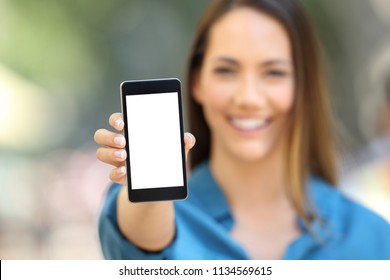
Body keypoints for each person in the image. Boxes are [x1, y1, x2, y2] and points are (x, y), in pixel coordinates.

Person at [94, 0, 390, 259]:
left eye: (274, 72)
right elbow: (142, 238)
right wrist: (148, 183)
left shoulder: (371, 237)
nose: (248, 97)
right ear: (197, 82)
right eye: (226, 70)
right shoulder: (160, 213)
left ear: (303, 85)